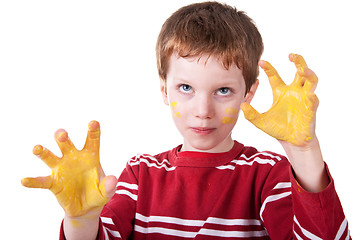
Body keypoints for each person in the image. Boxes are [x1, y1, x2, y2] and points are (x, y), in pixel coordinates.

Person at [21, 1, 351, 239]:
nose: (202, 109)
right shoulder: (140, 175)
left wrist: (305, 152)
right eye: (186, 88)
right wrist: (80, 221)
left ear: (248, 92)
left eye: (223, 90)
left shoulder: (267, 175)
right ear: (165, 90)